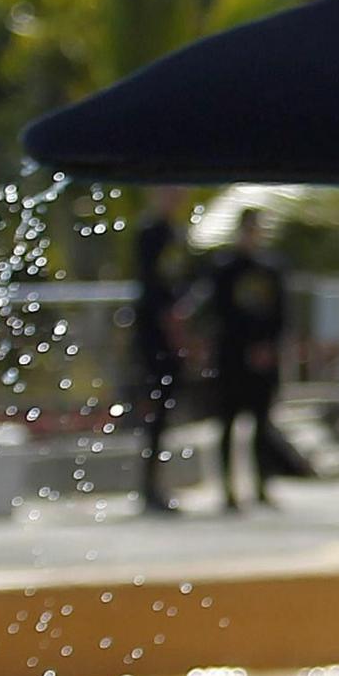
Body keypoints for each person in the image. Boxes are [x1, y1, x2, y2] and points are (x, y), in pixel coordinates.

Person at [194, 209, 290, 513]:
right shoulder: (224, 270)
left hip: (263, 360)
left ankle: (262, 485)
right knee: (228, 425)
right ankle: (227, 488)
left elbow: (280, 315)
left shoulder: (271, 271)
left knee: (261, 426)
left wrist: (268, 347)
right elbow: (220, 314)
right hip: (232, 358)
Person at [126, 188, 191, 516]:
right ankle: (149, 487)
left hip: (170, 335)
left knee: (166, 413)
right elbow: (154, 289)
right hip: (154, 335)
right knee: (153, 411)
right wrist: (172, 329)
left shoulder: (176, 234)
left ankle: (158, 483)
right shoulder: (151, 233)